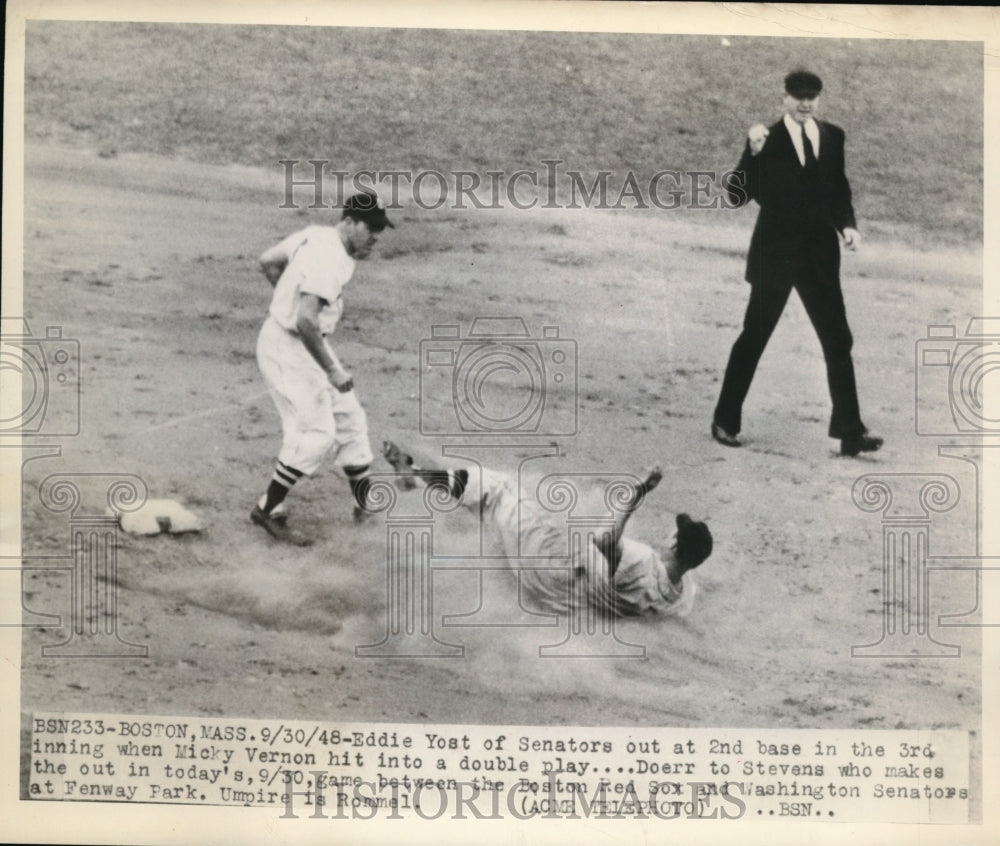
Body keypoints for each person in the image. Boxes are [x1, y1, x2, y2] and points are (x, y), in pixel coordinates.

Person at [712, 70, 883, 457]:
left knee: (838, 340)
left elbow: (838, 189)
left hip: (820, 257)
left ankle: (849, 431)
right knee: (754, 337)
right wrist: (750, 154)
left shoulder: (833, 136)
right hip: (776, 255)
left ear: (819, 99)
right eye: (798, 96)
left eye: (812, 97)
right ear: (784, 98)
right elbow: (737, 196)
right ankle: (725, 420)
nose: (805, 103)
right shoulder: (766, 141)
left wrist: (848, 226)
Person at [382, 442, 713, 618]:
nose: (668, 535)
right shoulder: (680, 598)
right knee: (498, 526)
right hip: (562, 603)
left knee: (498, 489)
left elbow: (605, 539)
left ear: (674, 545)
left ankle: (416, 476)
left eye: (674, 534)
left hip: (550, 565)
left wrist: (638, 491)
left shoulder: (641, 561)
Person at [251, 190, 393, 544]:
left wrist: (286, 293)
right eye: (370, 228)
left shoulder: (316, 234)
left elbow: (267, 261)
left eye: (379, 228)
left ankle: (364, 507)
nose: (375, 236)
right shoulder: (329, 260)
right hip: (288, 348)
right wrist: (332, 370)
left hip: (304, 341)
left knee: (351, 419)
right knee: (316, 434)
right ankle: (268, 508)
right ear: (348, 222)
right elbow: (305, 321)